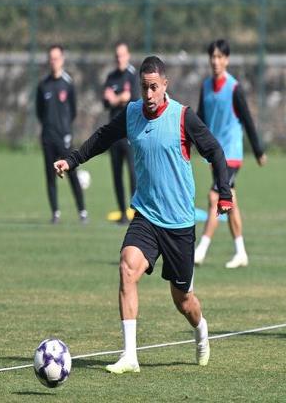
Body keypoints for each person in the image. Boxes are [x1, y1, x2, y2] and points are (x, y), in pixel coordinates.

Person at [54, 56, 233, 373]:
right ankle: (130, 356)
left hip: (178, 223)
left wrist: (224, 192)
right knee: (127, 267)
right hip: (147, 215)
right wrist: (73, 159)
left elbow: (215, 151)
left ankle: (201, 329)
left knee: (183, 300)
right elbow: (103, 137)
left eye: (154, 87)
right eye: (144, 88)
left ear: (165, 85)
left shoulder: (183, 117)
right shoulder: (132, 113)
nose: (148, 94)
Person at [194, 39, 267, 269]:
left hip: (231, 155)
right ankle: (241, 252)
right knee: (230, 200)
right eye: (212, 57)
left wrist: (258, 151)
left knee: (215, 197)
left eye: (219, 57)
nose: (215, 61)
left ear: (226, 60)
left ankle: (200, 251)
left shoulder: (235, 88)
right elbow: (199, 120)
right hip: (214, 155)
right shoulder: (206, 87)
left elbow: (248, 120)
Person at [36, 44, 87, 224]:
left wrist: (65, 129)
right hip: (48, 137)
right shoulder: (43, 85)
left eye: (56, 58)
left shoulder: (68, 83)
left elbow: (73, 110)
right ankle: (55, 213)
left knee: (72, 172)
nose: (53, 62)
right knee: (50, 175)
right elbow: (39, 111)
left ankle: (82, 211)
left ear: (62, 59)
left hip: (64, 137)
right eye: (51, 58)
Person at [103, 42, 140, 224]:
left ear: (128, 55)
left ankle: (136, 213)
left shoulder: (133, 75)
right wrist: (119, 99)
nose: (119, 59)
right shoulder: (111, 77)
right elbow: (105, 101)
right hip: (114, 134)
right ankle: (122, 214)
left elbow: (133, 100)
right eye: (117, 55)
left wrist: (115, 99)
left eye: (122, 55)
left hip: (130, 133)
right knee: (116, 174)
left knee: (133, 173)